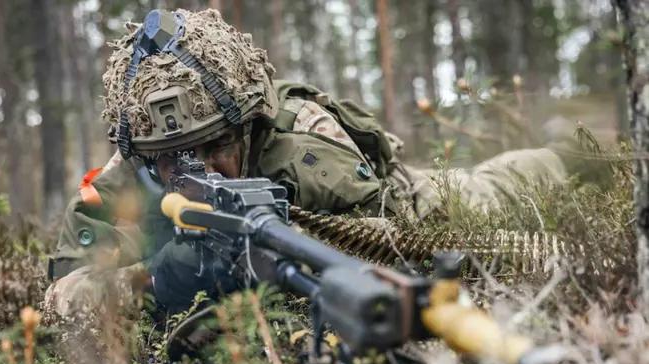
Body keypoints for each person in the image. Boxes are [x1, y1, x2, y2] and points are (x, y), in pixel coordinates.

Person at [44, 8, 596, 320]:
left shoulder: (303, 148)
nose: (199, 171)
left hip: (398, 196)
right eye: (171, 160)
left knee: (487, 190)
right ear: (141, 156)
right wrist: (156, 277)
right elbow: (62, 303)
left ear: (249, 128)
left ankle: (572, 156)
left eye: (217, 147)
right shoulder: (111, 195)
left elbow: (393, 238)